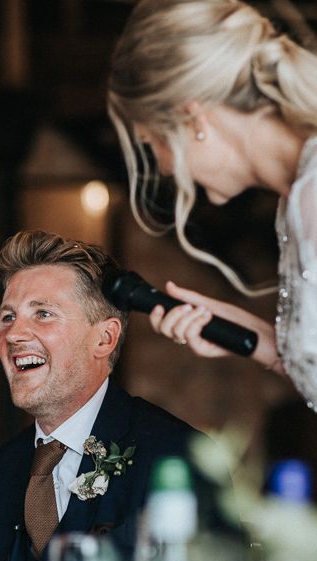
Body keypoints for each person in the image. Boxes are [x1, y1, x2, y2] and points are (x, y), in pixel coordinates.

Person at [0, 230, 212, 561]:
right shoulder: (9, 464)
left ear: (104, 338)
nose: (13, 333)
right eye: (7, 316)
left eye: (42, 313)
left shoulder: (174, 454)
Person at [108, 0, 317, 409]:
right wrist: (259, 341)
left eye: (153, 146)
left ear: (194, 120)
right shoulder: (295, 200)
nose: (166, 170)